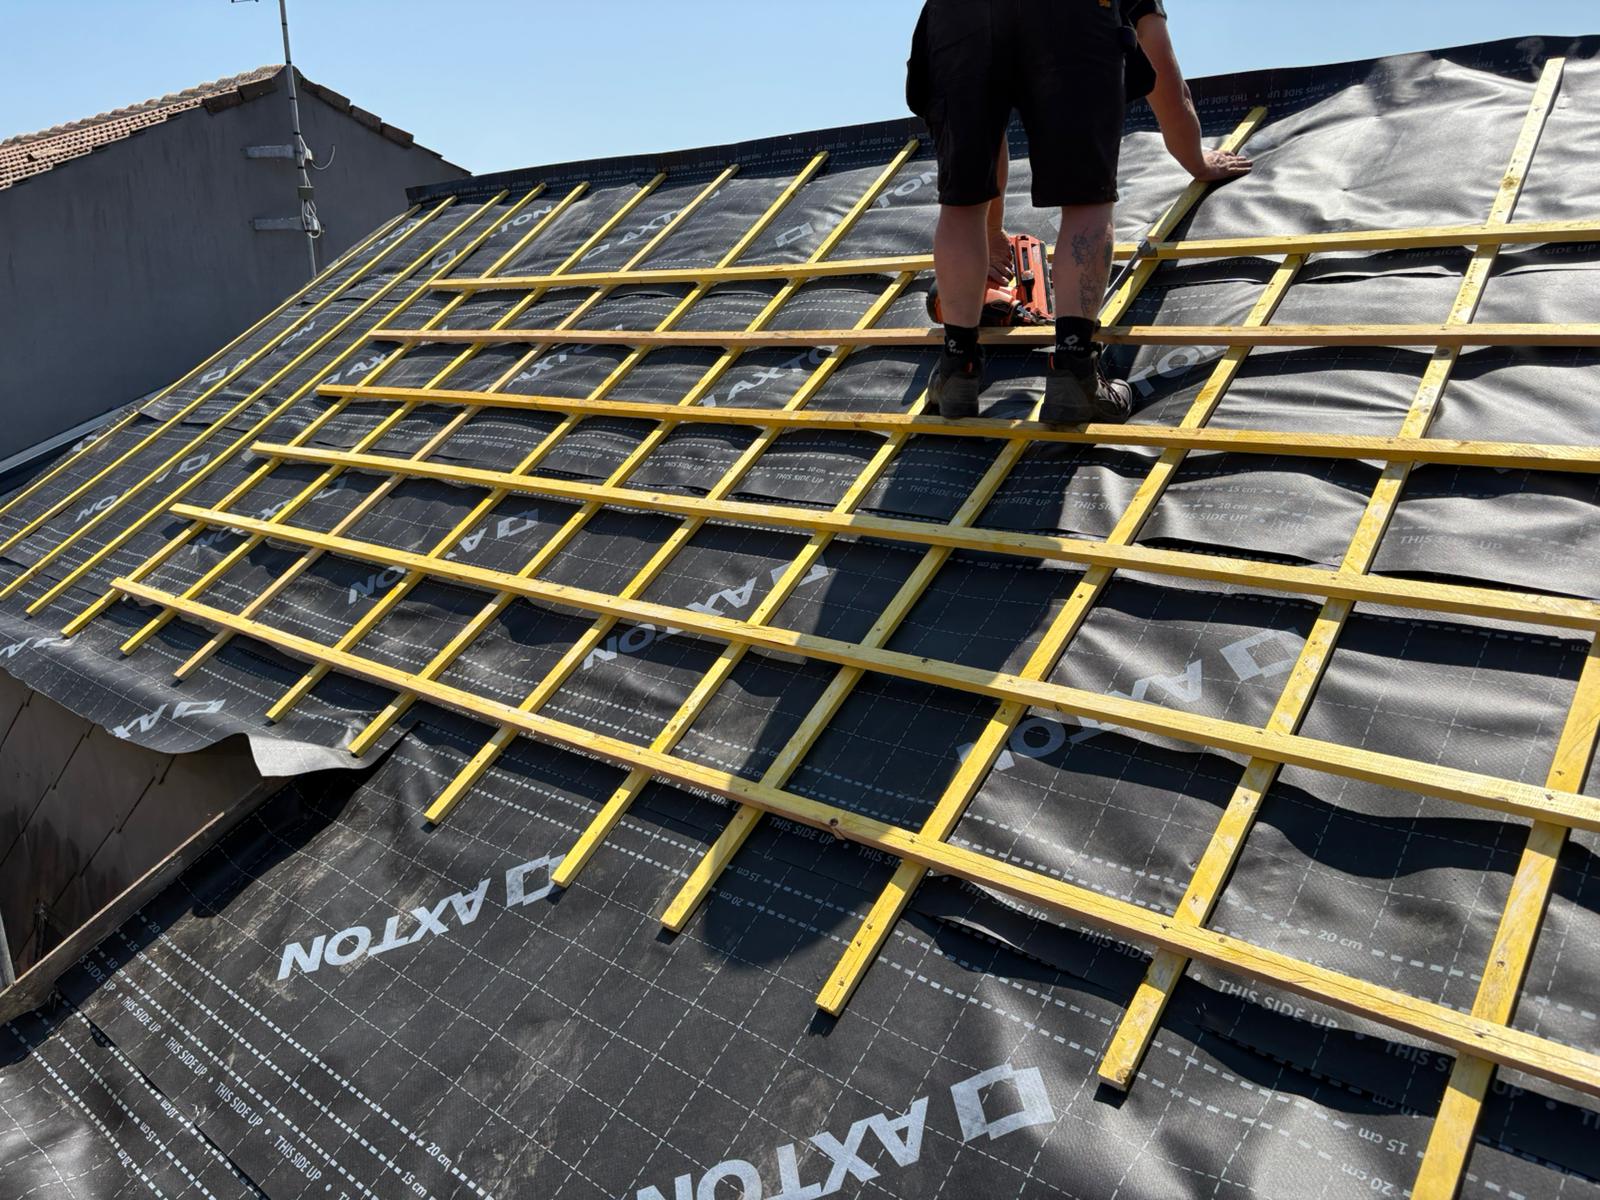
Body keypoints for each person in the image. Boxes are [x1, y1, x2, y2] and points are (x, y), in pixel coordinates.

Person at [908, 0, 1252, 424]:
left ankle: (956, 369)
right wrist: (1196, 160)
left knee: (961, 201)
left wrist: (993, 229)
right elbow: (1162, 70)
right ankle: (1075, 371)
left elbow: (984, 142)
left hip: (957, 16)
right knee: (1086, 197)